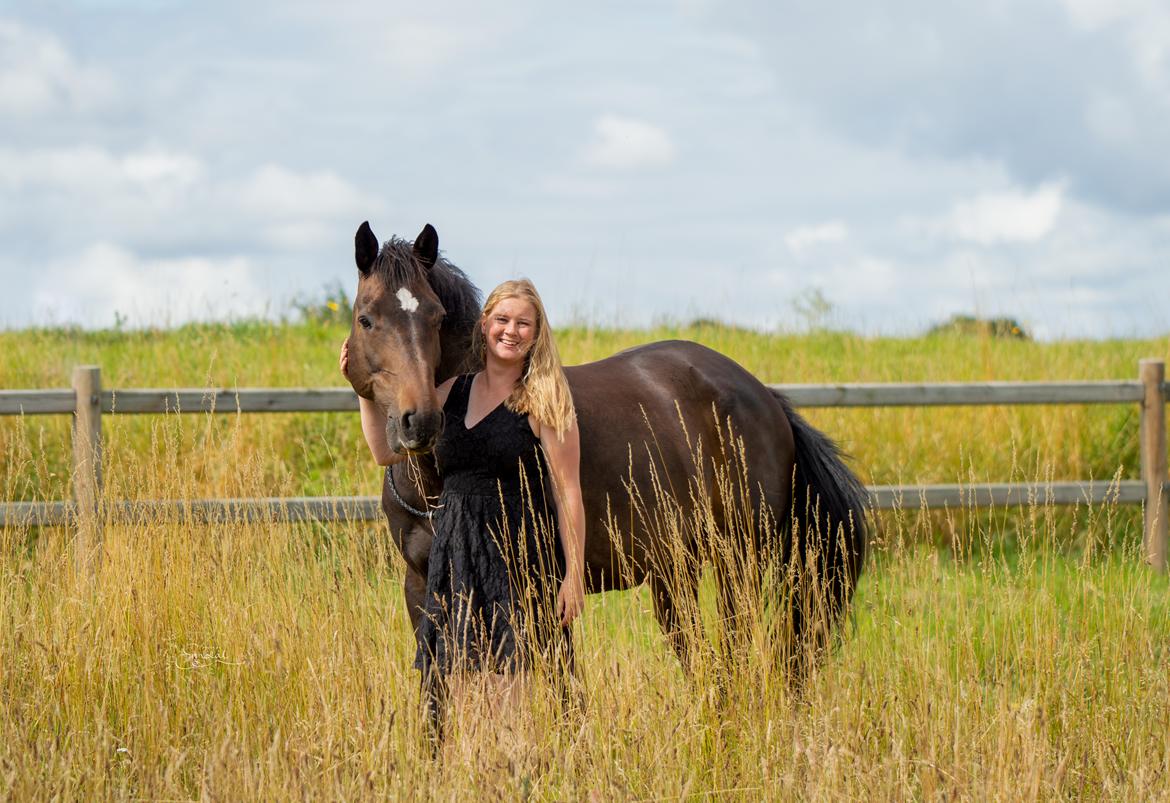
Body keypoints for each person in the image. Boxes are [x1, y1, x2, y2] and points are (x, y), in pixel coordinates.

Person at [340, 278, 585, 698]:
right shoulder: (451, 393)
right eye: (502, 319)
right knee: (468, 701)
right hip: (456, 556)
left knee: (512, 703)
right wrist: (361, 387)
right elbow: (385, 452)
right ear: (484, 323)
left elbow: (568, 492)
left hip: (515, 559)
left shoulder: (544, 399)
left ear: (538, 332)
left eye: (524, 323)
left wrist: (574, 576)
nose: (511, 331)